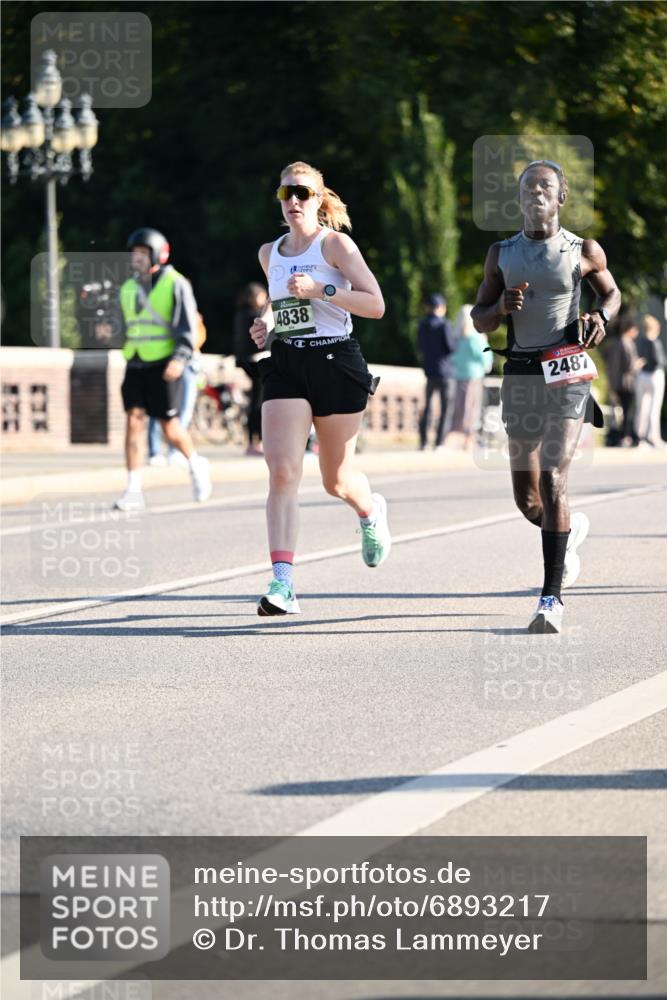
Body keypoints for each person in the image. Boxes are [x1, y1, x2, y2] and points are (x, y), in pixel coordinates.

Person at [471, 159, 621, 633]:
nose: (536, 192)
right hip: (519, 375)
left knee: (555, 477)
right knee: (528, 500)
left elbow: (612, 295)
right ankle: (567, 529)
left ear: (561, 197)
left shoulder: (583, 250)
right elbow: (479, 318)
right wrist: (499, 306)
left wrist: (602, 318)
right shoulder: (501, 253)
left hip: (568, 372)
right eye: (528, 187)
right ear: (518, 199)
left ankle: (550, 599)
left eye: (545, 186)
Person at [249, 160, 390, 616]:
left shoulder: (335, 245)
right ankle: (282, 584)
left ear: (318, 199)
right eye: (286, 192)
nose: (293, 200)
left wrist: (322, 292)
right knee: (284, 471)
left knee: (336, 481)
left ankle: (369, 512)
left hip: (336, 360)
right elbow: (280, 303)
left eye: (302, 193)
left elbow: (376, 304)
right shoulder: (269, 253)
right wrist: (266, 323)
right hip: (288, 361)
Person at [113, 227, 212, 510]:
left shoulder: (175, 283)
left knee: (170, 428)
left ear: (158, 254)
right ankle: (133, 489)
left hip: (165, 364)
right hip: (135, 361)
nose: (137, 258)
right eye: (134, 253)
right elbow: (127, 325)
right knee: (133, 421)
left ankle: (195, 465)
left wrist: (179, 359)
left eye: (143, 253)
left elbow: (187, 327)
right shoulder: (128, 287)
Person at [148, 310, 207, 466]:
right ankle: (158, 452)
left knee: (182, 411)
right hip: (173, 363)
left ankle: (173, 451)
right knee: (164, 410)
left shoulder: (190, 314)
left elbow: (198, 340)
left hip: (186, 364)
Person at [234, 282, 269, 456]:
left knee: (253, 403)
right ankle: (259, 441)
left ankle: (251, 442)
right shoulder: (255, 317)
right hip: (257, 361)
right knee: (259, 402)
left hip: (245, 361)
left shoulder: (240, 315)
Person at [417, 293, 455, 450]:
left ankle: (423, 442)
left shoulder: (422, 324)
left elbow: (420, 346)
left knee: (427, 407)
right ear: (441, 308)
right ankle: (439, 442)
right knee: (445, 408)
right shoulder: (444, 325)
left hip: (429, 370)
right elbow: (450, 347)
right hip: (445, 371)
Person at [450, 304, 490, 449]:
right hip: (474, 376)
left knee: (460, 407)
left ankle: (461, 437)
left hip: (459, 375)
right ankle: (469, 439)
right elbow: (485, 357)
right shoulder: (475, 338)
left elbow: (452, 358)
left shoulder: (456, 337)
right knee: (472, 407)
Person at [606, 314, 641, 447]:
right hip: (627, 383)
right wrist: (638, 363)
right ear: (630, 329)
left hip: (615, 382)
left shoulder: (614, 342)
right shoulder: (627, 343)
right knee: (627, 411)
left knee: (617, 411)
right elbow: (629, 365)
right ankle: (625, 437)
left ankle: (615, 437)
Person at [634, 314, 665, 447]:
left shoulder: (640, 341)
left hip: (641, 376)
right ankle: (653, 437)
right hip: (654, 376)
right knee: (654, 408)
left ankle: (639, 437)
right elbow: (659, 361)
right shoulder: (655, 343)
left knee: (642, 408)